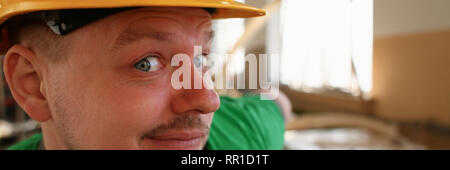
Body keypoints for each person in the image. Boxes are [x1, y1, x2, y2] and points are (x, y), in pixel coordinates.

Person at [0, 0, 287, 150]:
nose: (209, 100)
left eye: (201, 59)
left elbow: (276, 109)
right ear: (34, 85)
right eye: (146, 63)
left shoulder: (235, 138)